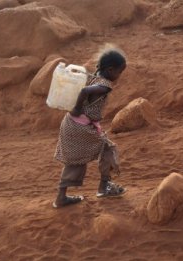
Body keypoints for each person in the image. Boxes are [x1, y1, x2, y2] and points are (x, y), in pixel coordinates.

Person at [53, 46, 127, 208]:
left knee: (74, 160)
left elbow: (83, 88)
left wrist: (77, 109)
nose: (119, 76)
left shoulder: (91, 76)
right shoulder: (105, 85)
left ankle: (61, 197)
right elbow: (85, 91)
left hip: (70, 124)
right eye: (119, 72)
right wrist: (78, 106)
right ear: (110, 69)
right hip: (82, 127)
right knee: (107, 148)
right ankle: (104, 186)